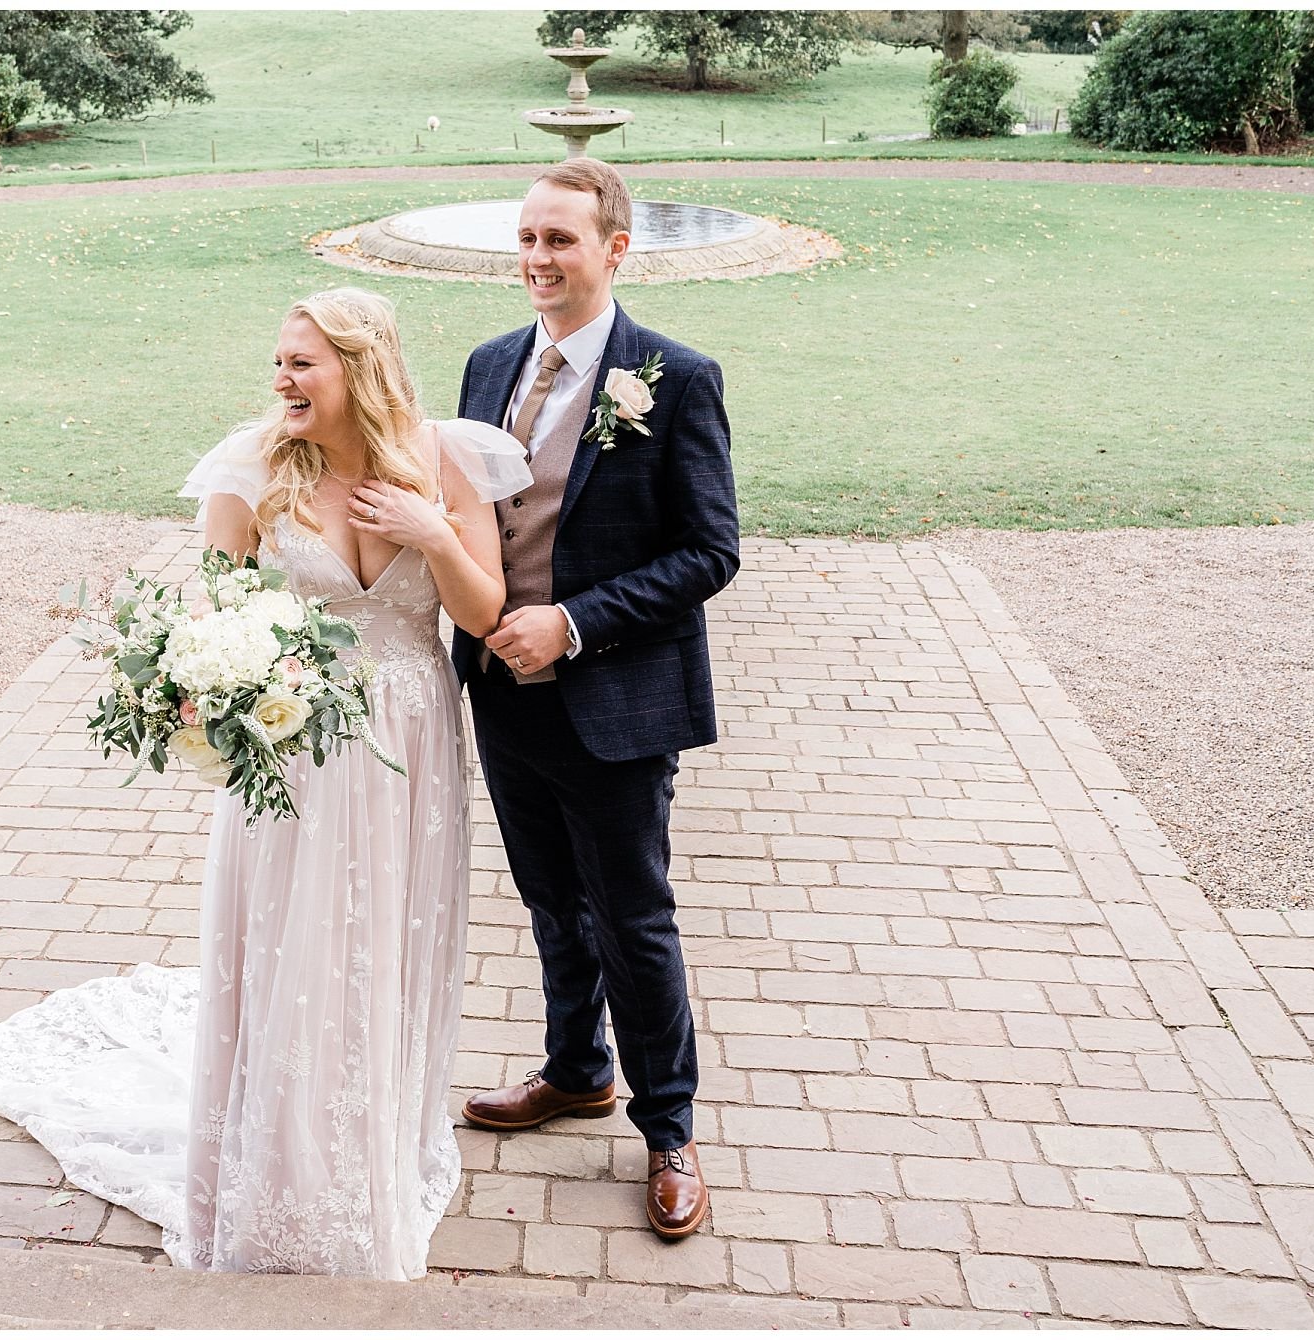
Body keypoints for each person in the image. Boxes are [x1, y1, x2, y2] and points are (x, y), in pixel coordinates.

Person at [0, 287, 532, 1280]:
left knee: (388, 938)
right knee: (300, 948)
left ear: (360, 368)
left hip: (413, 741)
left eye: (302, 363)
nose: (281, 379)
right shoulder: (249, 471)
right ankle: (285, 1172)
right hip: (296, 745)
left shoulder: (446, 459)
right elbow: (211, 624)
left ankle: (374, 1138)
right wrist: (206, 685)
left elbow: (478, 615)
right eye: (279, 363)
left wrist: (431, 531)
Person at [450, 158, 741, 1240]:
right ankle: (574, 1069)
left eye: (558, 241)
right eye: (526, 238)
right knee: (546, 902)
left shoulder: (673, 376)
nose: (535, 259)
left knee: (633, 918)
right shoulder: (485, 366)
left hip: (612, 698)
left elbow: (710, 550)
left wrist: (571, 622)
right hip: (497, 692)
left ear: (615, 249)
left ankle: (668, 1127)